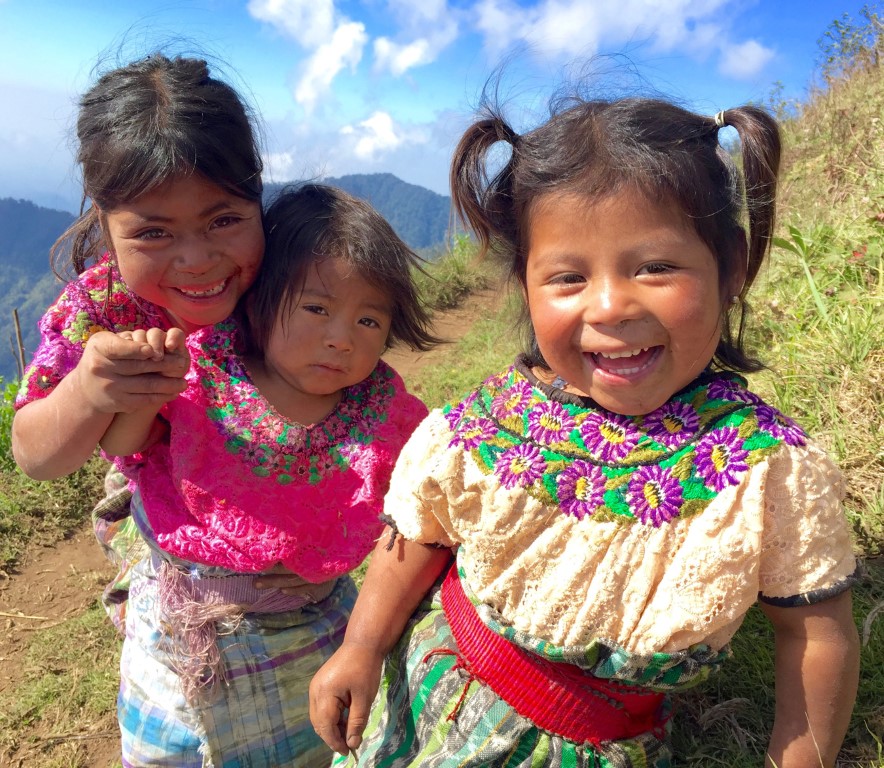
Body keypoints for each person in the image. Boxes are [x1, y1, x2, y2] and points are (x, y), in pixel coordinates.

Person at [308, 95, 861, 768]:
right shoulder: (491, 424)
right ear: (525, 286)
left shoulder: (765, 468)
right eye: (568, 277)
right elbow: (423, 534)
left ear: (732, 266)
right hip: (423, 694)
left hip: (595, 741)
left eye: (655, 267)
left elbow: (815, 636)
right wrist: (363, 646)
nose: (609, 307)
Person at [94, 183, 434, 767]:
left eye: (369, 320)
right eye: (317, 308)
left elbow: (412, 512)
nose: (340, 337)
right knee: (169, 752)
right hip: (184, 628)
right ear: (260, 299)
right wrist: (146, 385)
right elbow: (124, 446)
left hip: (310, 630)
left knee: (305, 750)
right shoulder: (203, 369)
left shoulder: (384, 414)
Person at [12, 52, 267, 630]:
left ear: (258, 200)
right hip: (166, 526)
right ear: (105, 224)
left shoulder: (288, 278)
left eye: (224, 220)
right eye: (153, 232)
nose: (197, 261)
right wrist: (87, 391)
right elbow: (35, 455)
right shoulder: (101, 310)